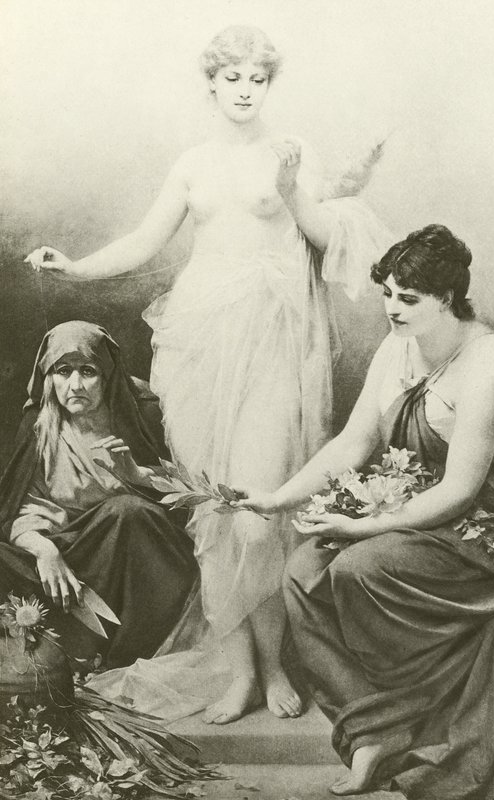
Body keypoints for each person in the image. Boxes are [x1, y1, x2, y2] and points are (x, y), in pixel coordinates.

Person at [24, 25, 392, 722]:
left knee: (257, 514)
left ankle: (277, 664)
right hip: (197, 347)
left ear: (268, 84)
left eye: (258, 78)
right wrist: (74, 268)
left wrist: (290, 189)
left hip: (273, 343)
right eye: (233, 78)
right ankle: (242, 670)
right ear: (213, 84)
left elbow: (322, 236)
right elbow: (143, 241)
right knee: (210, 515)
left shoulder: (292, 152)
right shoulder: (192, 164)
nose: (246, 90)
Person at [234, 224, 494, 799]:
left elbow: (460, 491)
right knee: (303, 574)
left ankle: (415, 712)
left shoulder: (486, 365)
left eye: (408, 297)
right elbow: (355, 442)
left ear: (447, 298)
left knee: (360, 569)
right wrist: (279, 497)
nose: (392, 308)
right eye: (387, 293)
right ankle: (374, 732)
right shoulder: (398, 344)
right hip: (432, 506)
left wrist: (363, 526)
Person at [0, 321, 198, 669]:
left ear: (107, 376)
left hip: (130, 557)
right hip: (66, 551)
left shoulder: (140, 413)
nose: (75, 385)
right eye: (63, 371)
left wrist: (137, 475)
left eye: (88, 371)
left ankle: (123, 650)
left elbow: (190, 495)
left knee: (128, 512)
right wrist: (45, 550)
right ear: (49, 377)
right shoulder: (40, 426)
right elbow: (20, 508)